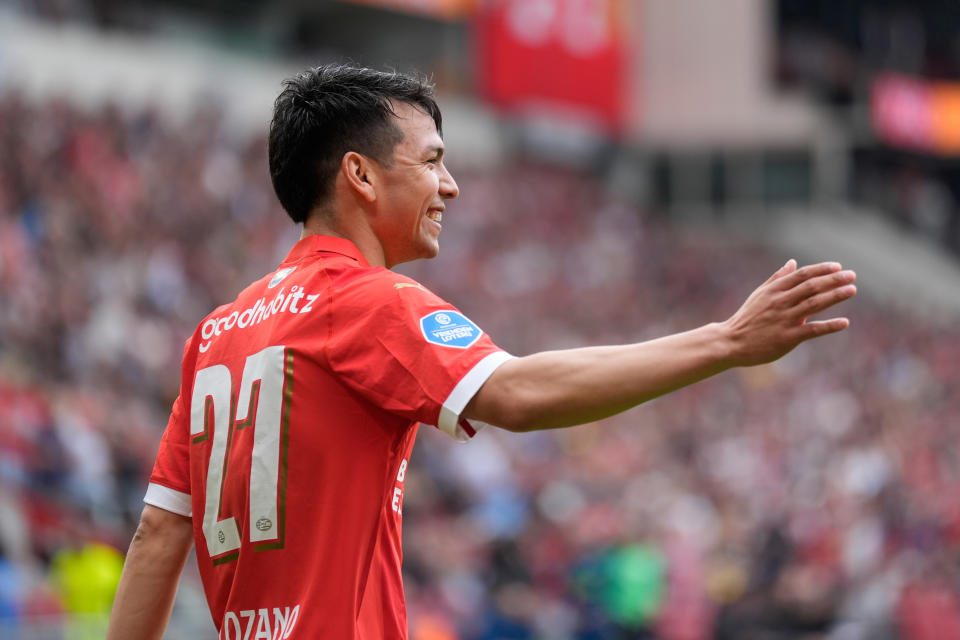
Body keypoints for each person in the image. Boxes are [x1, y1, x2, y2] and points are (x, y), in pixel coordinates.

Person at [106, 64, 857, 640]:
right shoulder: (366, 302)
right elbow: (520, 393)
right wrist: (725, 342)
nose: (451, 186)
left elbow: (158, 534)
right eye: (431, 161)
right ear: (360, 176)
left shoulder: (216, 333)